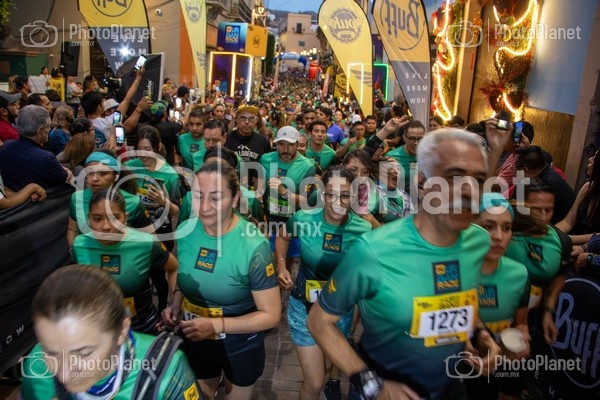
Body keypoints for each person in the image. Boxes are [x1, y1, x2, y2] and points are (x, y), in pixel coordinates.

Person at [307, 127, 506, 400]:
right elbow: (319, 322)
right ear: (423, 180)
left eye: (478, 180)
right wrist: (374, 386)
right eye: (454, 177)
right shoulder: (374, 250)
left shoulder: (480, 242)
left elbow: (458, 298)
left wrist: (480, 333)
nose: (468, 191)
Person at [163, 161, 280, 400]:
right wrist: (175, 303)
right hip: (196, 338)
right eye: (198, 196)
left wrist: (216, 325)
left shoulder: (254, 247)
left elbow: (271, 315)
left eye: (216, 198)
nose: (205, 207)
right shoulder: (185, 230)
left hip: (239, 346)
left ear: (235, 199)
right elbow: (185, 274)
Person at [21, 264, 201, 399]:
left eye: (84, 353)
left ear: (122, 331)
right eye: (51, 353)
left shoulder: (165, 371)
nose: (64, 375)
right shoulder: (36, 367)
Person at [276, 166, 372, 400]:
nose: (337, 202)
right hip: (303, 308)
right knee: (314, 381)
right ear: (322, 194)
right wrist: (281, 266)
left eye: (345, 195)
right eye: (331, 194)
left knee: (329, 369)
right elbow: (282, 235)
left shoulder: (364, 230)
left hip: (340, 313)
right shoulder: (305, 218)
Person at [71, 189, 178, 333]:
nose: (106, 226)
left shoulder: (146, 243)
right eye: (97, 219)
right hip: (97, 329)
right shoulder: (79, 246)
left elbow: (174, 268)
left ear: (125, 218)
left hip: (142, 327)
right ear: (88, 218)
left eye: (114, 218)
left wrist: (173, 305)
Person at [466, 192, 531, 400]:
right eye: (489, 226)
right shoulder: (454, 273)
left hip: (506, 359)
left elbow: (521, 323)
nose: (498, 236)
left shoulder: (520, 274)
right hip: (465, 362)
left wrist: (522, 336)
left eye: (507, 228)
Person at [67, 150, 151, 247]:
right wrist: (76, 252)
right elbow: (72, 230)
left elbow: (150, 238)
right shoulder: (77, 199)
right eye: (90, 172)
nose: (94, 178)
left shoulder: (134, 203)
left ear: (115, 176)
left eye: (102, 173)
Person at [0, 105, 72, 191]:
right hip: (41, 197)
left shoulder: (6, 146)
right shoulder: (46, 158)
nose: (49, 129)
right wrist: (66, 171)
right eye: (48, 126)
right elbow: (65, 178)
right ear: (40, 131)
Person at [556, 148, 600, 239]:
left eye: (595, 157)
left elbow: (597, 238)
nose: (589, 159)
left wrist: (565, 240)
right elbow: (568, 222)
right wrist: (550, 233)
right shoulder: (588, 187)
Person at [386, 120, 426, 193]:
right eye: (412, 139)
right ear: (404, 138)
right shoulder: (392, 157)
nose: (416, 143)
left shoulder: (428, 156)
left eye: (420, 139)